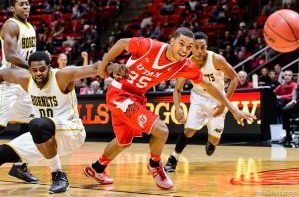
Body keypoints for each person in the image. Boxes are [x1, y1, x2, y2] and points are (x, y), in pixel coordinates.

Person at [84, 27, 256, 189]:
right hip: (119, 94)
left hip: (136, 98)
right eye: (181, 44)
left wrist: (233, 109)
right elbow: (122, 42)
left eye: (189, 47)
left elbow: (211, 86)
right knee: (162, 131)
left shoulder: (185, 65)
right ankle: (155, 165)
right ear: (172, 41)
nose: (185, 50)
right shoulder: (150, 46)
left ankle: (97, 168)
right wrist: (104, 64)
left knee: (123, 142)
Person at [0, 51, 110, 193]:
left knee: (37, 123)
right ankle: (21, 167)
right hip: (43, 138)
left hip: (71, 133)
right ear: (29, 70)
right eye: (34, 70)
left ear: (49, 67)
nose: (38, 73)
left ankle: (58, 175)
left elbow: (94, 68)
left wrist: (112, 66)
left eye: (42, 69)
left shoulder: (61, 76)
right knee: (3, 152)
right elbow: (3, 73)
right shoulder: (26, 79)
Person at [164, 31, 239, 172]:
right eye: (196, 47)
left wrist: (224, 104)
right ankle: (173, 159)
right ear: (191, 47)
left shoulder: (216, 59)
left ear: (207, 47)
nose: (199, 51)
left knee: (214, 140)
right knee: (189, 130)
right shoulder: (186, 63)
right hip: (198, 98)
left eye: (203, 47)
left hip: (218, 99)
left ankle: (211, 143)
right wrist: (178, 108)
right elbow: (177, 90)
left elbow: (235, 78)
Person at [0, 0, 38, 183]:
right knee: (0, 124)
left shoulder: (30, 27)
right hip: (9, 81)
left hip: (25, 83)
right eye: (21, 4)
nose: (25, 6)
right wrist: (34, 66)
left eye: (27, 3)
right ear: (12, 8)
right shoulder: (11, 26)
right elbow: (10, 55)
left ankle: (19, 167)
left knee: (30, 125)